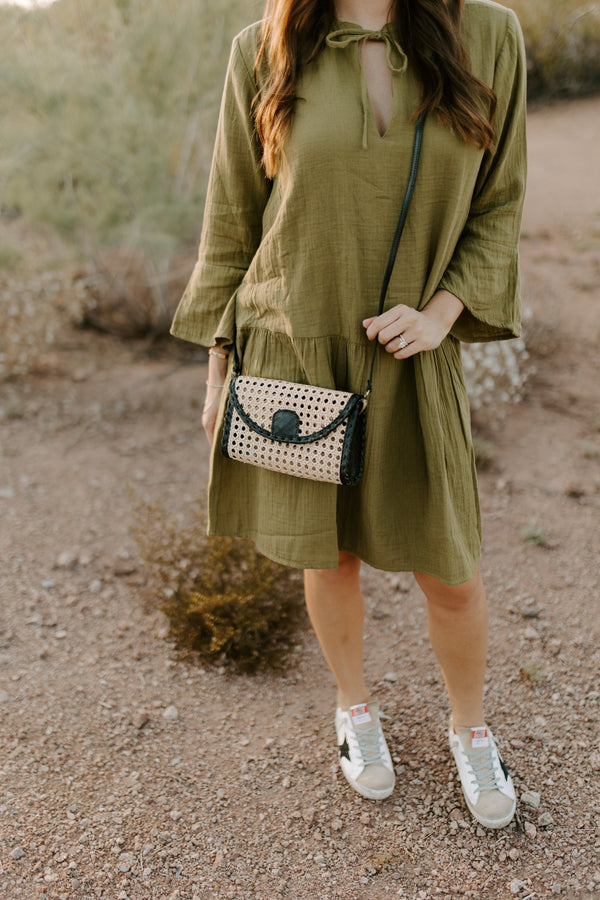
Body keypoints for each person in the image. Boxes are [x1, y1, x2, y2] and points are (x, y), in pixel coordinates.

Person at [170, 0, 527, 830]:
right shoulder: (264, 47)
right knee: (328, 558)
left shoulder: (489, 34)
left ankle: (470, 728)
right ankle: (354, 710)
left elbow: (500, 203)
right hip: (296, 350)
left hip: (414, 355)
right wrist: (219, 365)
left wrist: (441, 313)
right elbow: (231, 216)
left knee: (452, 571)